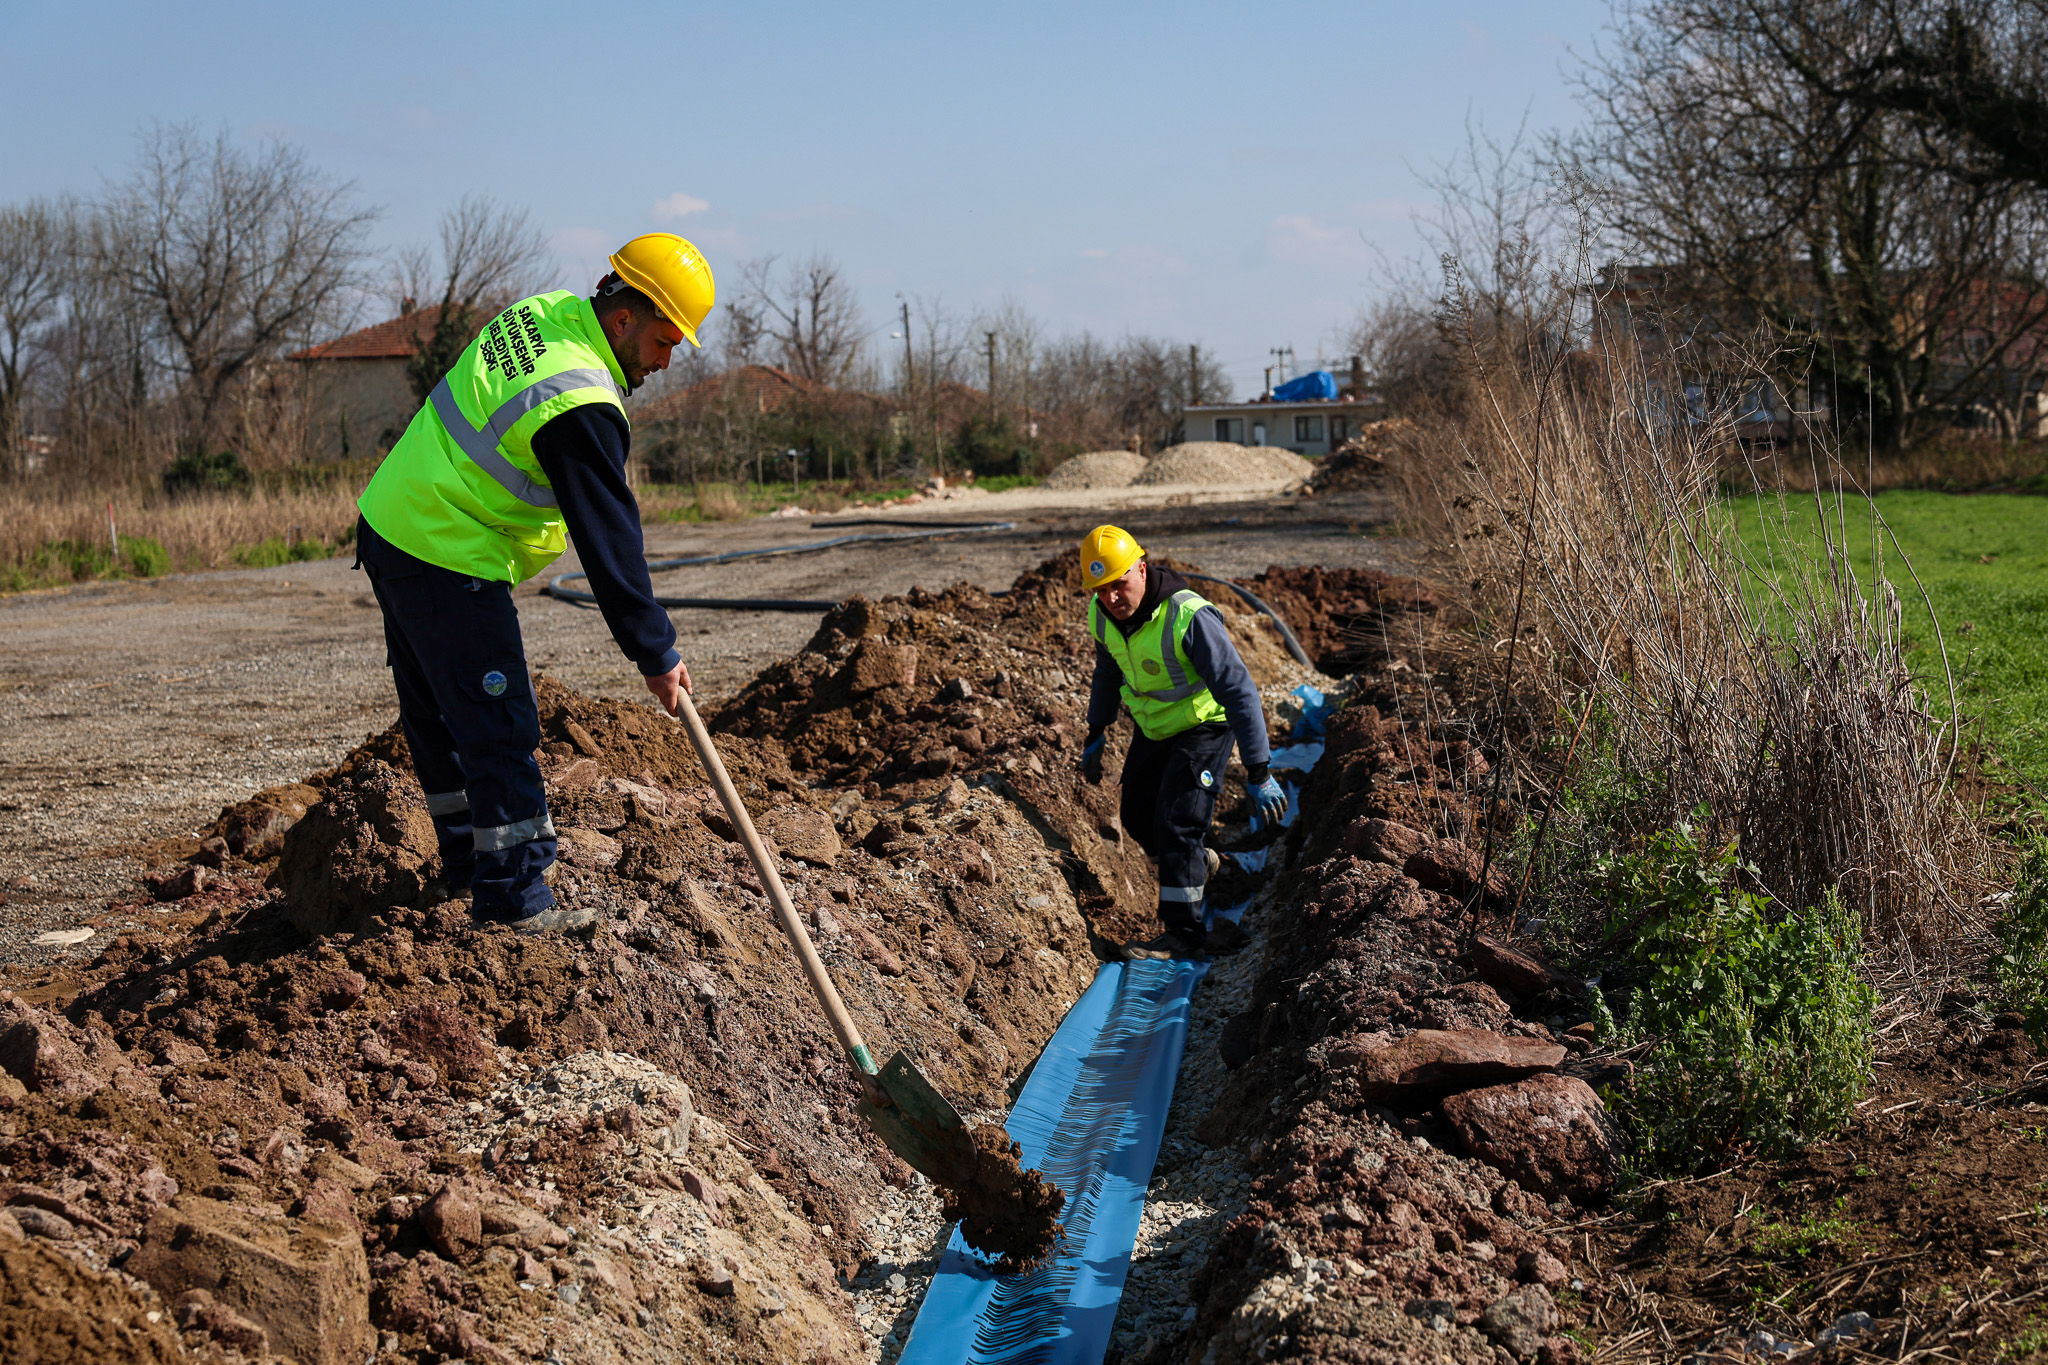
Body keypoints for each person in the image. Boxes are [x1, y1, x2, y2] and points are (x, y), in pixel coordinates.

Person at [351, 233, 715, 934]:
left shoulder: (546, 314)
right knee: (498, 723)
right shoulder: (577, 399)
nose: (667, 361)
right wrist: (656, 650)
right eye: (666, 340)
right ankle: (515, 902)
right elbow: (609, 539)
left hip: (394, 524)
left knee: (441, 719)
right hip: (445, 548)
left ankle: (465, 872)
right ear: (623, 319)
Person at [1077, 525, 1289, 959]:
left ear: (1141, 567)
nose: (1112, 598)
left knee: (1177, 823)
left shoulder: (1188, 616)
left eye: (1119, 584)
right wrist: (1096, 730)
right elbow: (1107, 672)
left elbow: (1238, 690)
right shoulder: (1101, 615)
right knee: (1137, 817)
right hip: (1154, 730)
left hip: (1203, 726)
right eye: (1101, 590)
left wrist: (1259, 768)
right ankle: (1197, 862)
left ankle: (1184, 935)